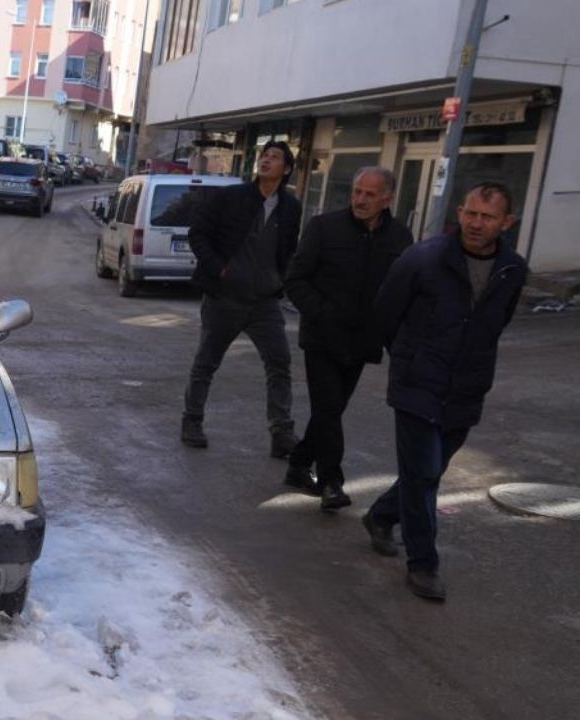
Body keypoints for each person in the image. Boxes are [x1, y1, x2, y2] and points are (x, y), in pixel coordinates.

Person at [362, 182, 527, 601]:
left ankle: (381, 514)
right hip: (418, 383)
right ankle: (423, 563)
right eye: (470, 213)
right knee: (422, 477)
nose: (475, 223)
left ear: (507, 222)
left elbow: (495, 324)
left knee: (430, 470)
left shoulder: (513, 269)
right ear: (459, 212)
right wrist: (409, 360)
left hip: (467, 388)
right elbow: (385, 312)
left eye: (487, 217)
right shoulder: (423, 258)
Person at [283, 167, 414, 510]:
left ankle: (299, 463)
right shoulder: (324, 227)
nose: (360, 199)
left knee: (333, 408)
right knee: (328, 407)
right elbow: (295, 279)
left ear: (388, 199)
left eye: (370, 194)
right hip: (323, 338)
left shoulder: (400, 237)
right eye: (357, 191)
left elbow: (402, 290)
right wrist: (322, 312)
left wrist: (394, 335)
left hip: (362, 342)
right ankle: (332, 481)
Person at [181, 141, 302, 458]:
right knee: (206, 362)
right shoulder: (231, 198)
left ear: (286, 169)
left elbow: (289, 248)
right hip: (225, 298)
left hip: (264, 302)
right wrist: (219, 269)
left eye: (275, 157)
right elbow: (198, 233)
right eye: (263, 155)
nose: (266, 160)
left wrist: (281, 279)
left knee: (279, 363)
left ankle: (281, 432)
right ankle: (192, 421)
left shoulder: (291, 207)